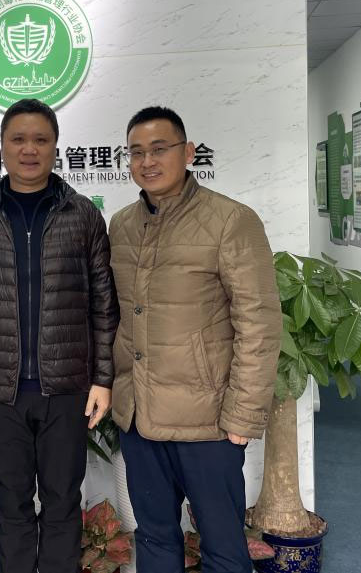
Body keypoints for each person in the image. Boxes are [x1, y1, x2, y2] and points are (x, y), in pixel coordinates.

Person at [0, 98, 119, 573]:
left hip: (66, 389)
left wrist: (103, 378)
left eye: (40, 139)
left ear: (55, 147)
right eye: (18, 139)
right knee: (12, 501)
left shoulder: (82, 215)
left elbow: (103, 304)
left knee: (63, 500)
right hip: (0, 392)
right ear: (2, 147)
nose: (29, 149)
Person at [109, 106, 281, 573]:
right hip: (141, 419)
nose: (147, 161)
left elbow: (259, 322)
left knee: (223, 546)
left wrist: (243, 415)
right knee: (154, 537)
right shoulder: (122, 225)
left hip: (207, 422)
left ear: (187, 152)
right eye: (136, 152)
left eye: (159, 149)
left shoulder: (230, 220)